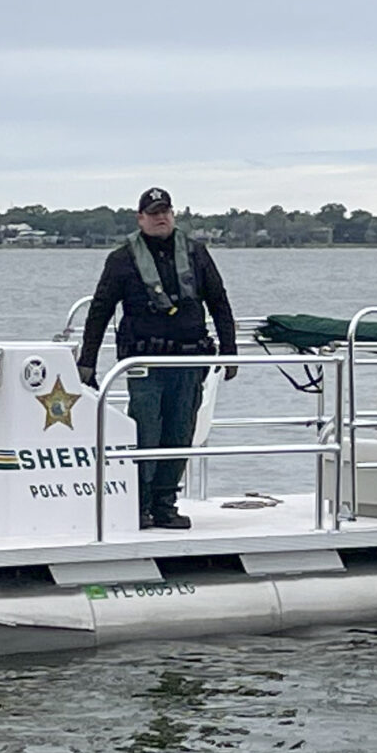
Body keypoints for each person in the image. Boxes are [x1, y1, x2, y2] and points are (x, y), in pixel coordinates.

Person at [76, 187, 238, 530]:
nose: (160, 217)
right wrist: (87, 362)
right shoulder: (121, 259)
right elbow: (99, 311)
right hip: (144, 362)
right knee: (145, 430)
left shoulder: (196, 253)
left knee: (180, 431)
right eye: (153, 212)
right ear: (141, 218)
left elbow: (219, 303)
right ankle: (139, 504)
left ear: (173, 214)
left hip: (189, 361)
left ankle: (166, 503)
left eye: (165, 211)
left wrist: (230, 350)